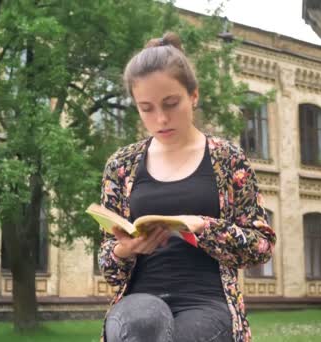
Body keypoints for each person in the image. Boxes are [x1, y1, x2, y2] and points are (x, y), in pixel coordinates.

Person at [98, 32, 276, 342]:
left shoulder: (227, 158)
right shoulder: (121, 165)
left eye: (171, 103)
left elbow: (260, 247)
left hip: (207, 301)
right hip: (140, 298)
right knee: (137, 330)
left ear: (193, 96)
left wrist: (203, 227)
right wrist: (124, 249)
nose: (161, 118)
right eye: (146, 108)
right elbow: (110, 271)